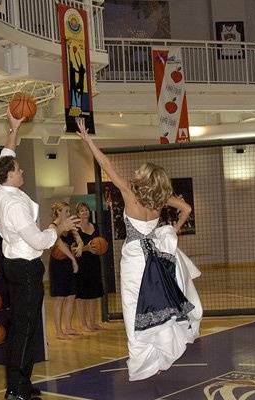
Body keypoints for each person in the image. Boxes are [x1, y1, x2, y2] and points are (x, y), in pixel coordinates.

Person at [75, 117, 203, 381]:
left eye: (139, 172)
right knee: (159, 302)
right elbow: (187, 209)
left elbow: (106, 164)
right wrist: (170, 230)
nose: (135, 173)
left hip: (135, 258)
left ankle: (143, 361)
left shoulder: (130, 193)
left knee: (133, 307)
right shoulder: (159, 199)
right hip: (156, 256)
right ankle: (161, 351)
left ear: (144, 179)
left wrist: (88, 139)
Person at [0, 107, 79, 400]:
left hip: (14, 264)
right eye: (19, 169)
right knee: (25, 330)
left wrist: (14, 127)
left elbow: (5, 154)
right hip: (26, 270)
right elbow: (40, 241)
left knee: (21, 326)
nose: (22, 170)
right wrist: (59, 225)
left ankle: (21, 384)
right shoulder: (14, 205)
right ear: (10, 176)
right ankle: (16, 390)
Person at [49, 202, 83, 340]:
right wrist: (73, 259)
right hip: (58, 264)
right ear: (58, 212)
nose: (69, 214)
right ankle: (58, 331)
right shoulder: (53, 227)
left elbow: (79, 239)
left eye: (69, 211)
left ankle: (68, 327)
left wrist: (80, 246)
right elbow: (60, 245)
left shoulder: (70, 226)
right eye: (66, 211)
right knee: (59, 298)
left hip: (69, 264)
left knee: (71, 296)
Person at [74, 202, 105, 332]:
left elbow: (101, 244)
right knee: (82, 296)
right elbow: (74, 249)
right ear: (78, 214)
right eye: (82, 211)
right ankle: (83, 324)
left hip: (94, 262)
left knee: (93, 294)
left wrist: (101, 248)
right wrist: (86, 248)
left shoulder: (95, 226)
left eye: (86, 210)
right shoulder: (75, 229)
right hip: (81, 263)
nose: (85, 212)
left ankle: (92, 323)